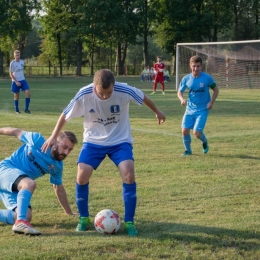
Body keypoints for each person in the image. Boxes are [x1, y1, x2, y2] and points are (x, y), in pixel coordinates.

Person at [41, 69, 166, 236]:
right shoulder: (84, 94)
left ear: (114, 85)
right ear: (94, 86)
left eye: (108, 93)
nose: (105, 97)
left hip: (120, 141)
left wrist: (157, 111)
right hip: (93, 141)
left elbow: (144, 97)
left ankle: (129, 221)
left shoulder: (124, 90)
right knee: (81, 176)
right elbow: (65, 115)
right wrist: (54, 136)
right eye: (101, 93)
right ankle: (83, 218)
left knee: (129, 174)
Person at [0, 127, 78, 235]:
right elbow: (16, 132)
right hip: (5, 171)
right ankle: (20, 222)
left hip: (16, 186)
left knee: (26, 215)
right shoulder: (37, 140)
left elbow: (58, 188)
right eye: (64, 147)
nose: (66, 152)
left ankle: (21, 219)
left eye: (69, 149)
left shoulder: (57, 166)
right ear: (55, 141)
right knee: (29, 184)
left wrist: (69, 212)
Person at [177, 55, 219, 156]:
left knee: (196, 133)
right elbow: (179, 92)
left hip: (203, 109)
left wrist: (211, 102)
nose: (196, 68)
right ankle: (188, 151)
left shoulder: (207, 78)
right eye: (194, 66)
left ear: (201, 66)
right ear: (190, 66)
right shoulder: (186, 79)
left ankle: (204, 142)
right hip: (190, 109)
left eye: (198, 66)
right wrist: (182, 99)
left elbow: (216, 90)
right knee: (184, 131)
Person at [9, 50, 31, 114]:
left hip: (23, 80)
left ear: (20, 55)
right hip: (15, 81)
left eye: (18, 55)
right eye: (16, 55)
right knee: (16, 96)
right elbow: (11, 74)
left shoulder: (22, 61)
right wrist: (16, 81)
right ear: (14, 56)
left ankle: (26, 109)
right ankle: (17, 110)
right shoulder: (12, 63)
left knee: (28, 93)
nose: (17, 56)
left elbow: (21, 70)